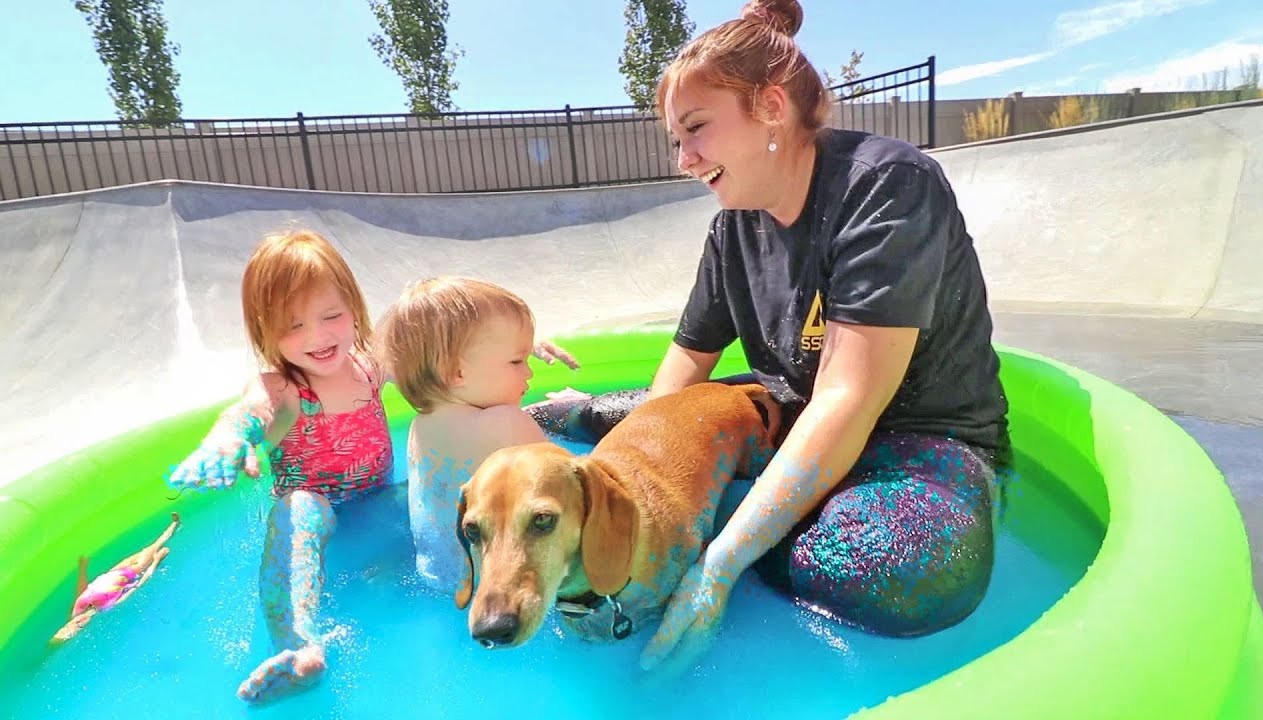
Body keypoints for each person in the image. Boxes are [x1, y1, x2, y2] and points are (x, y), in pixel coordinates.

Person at [533, 0, 1013, 673]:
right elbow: (681, 373)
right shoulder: (733, 228)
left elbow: (847, 401)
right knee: (612, 416)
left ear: (772, 108)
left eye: (696, 128)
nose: (684, 159)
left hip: (919, 443)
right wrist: (630, 503)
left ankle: (747, 521)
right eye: (675, 140)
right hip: (787, 418)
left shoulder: (885, 185)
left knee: (903, 575)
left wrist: (718, 564)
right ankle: (581, 413)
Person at [166, 232, 575, 703]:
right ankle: (298, 646)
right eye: (293, 325)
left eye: (332, 316)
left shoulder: (367, 367)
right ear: (263, 329)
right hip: (321, 521)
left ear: (354, 309)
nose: (318, 336)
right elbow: (246, 413)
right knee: (299, 508)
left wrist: (507, 349)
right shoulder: (281, 390)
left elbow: (435, 350)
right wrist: (227, 440)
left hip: (384, 506)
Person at [374, 276, 584, 594]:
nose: (529, 371)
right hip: (503, 589)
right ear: (457, 373)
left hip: (436, 579)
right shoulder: (507, 424)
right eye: (516, 361)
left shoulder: (420, 427)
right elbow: (575, 486)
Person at [51, 513, 181, 644]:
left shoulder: (79, 608)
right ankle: (174, 525)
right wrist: (156, 560)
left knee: (146, 550)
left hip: (115, 571)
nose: (77, 622)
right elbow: (140, 583)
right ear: (84, 628)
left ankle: (173, 527)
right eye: (79, 626)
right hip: (134, 571)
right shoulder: (108, 605)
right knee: (155, 546)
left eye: (69, 625)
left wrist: (83, 568)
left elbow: (83, 589)